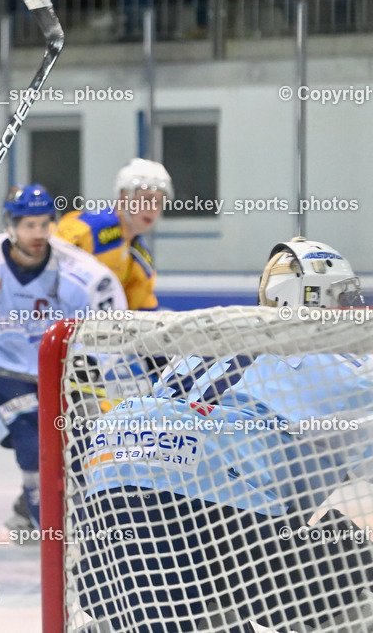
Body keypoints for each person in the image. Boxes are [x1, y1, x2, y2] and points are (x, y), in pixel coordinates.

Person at [74, 237, 373, 632]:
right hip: (219, 531)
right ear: (312, 296)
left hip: (106, 540)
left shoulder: (208, 346)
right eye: (343, 295)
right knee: (350, 556)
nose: (353, 307)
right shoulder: (344, 365)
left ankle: (117, 626)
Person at [0, 184, 126, 533]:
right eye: (28, 225)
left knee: (77, 449)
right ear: (11, 225)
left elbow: (108, 318)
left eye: (44, 224)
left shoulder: (79, 271)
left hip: (58, 374)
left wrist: (90, 359)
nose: (37, 233)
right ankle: (50, 525)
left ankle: (32, 505)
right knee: (33, 443)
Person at [56, 158, 173, 311]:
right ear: (125, 197)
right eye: (146, 199)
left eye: (158, 202)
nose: (153, 208)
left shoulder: (141, 257)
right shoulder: (91, 228)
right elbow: (47, 261)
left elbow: (144, 312)